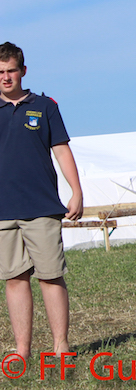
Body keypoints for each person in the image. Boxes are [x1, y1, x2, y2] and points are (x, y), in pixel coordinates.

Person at [0, 42, 82, 362]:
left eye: (11, 70)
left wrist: (76, 191)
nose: (6, 77)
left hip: (41, 206)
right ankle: (22, 350)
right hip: (3, 210)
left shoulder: (45, 106)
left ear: (23, 70)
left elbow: (61, 149)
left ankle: (61, 346)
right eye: (0, 72)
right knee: (15, 279)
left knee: (50, 275)